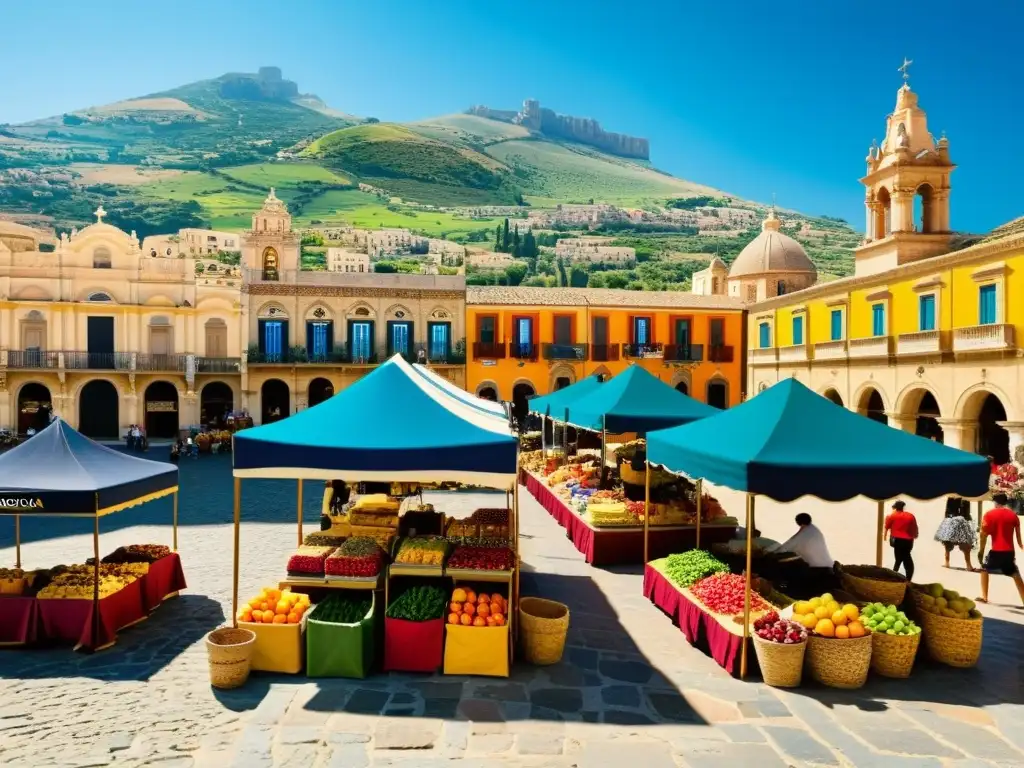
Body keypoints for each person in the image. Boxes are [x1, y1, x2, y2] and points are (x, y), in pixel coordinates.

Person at [977, 492, 1024, 606]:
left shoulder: (989, 515)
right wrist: (1021, 546)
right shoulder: (1014, 516)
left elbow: (983, 535)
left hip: (996, 551)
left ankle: (985, 597)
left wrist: (981, 552)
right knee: (1014, 574)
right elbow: (1018, 538)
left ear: (996, 502)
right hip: (1009, 552)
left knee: (984, 570)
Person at [935, 496, 976, 571]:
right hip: (963, 520)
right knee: (965, 543)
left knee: (948, 541)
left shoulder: (952, 494)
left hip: (952, 519)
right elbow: (967, 512)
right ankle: (968, 565)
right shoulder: (965, 495)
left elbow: (948, 511)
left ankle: (947, 562)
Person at [884, 500, 919, 581]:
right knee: (906, 556)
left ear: (895, 508)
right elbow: (914, 528)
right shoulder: (910, 516)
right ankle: (908, 578)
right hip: (908, 541)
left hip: (897, 540)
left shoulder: (892, 516)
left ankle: (894, 575)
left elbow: (886, 527)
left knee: (899, 558)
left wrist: (885, 536)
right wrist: (915, 536)